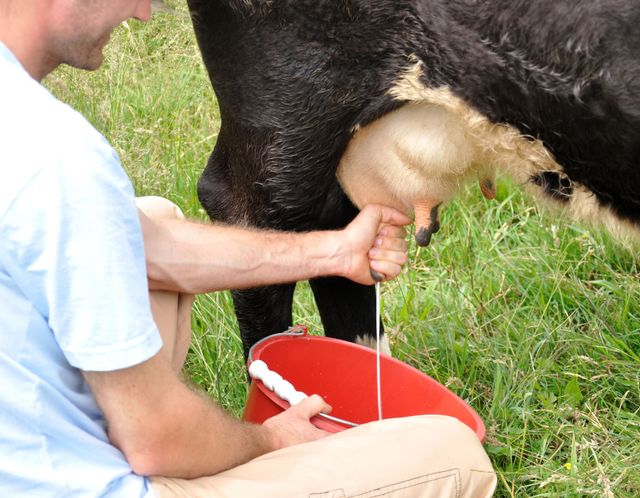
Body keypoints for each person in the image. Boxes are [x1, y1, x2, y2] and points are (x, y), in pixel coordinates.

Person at [0, 1, 498, 496]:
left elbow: (153, 249)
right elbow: (154, 437)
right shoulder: (60, 160)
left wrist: (335, 252)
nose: (143, 14)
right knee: (454, 452)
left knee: (152, 218)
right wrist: (268, 438)